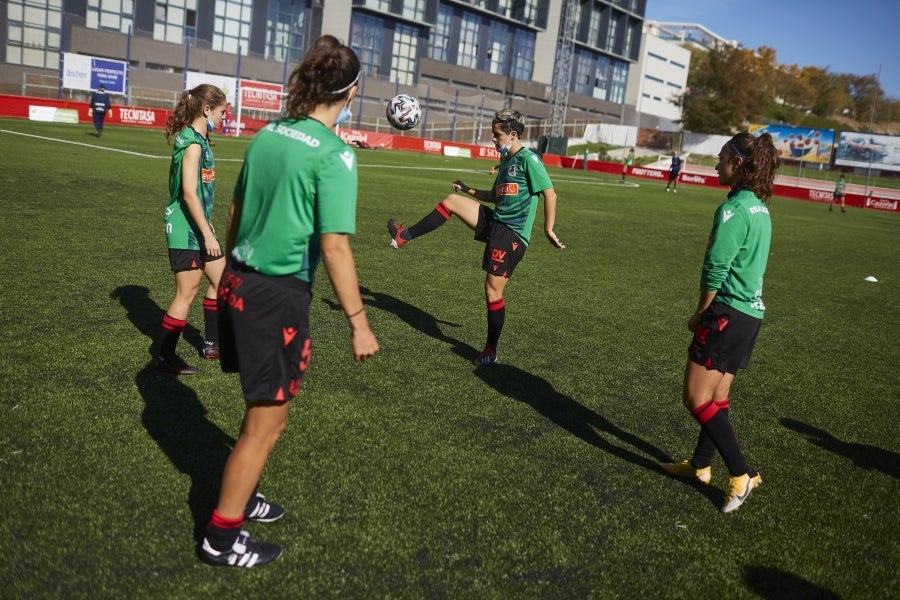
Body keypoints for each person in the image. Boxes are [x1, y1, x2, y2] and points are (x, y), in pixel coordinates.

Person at [199, 35, 378, 568]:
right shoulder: (335, 154)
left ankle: (242, 494)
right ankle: (220, 537)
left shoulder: (270, 133)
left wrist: (234, 272)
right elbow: (335, 246)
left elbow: (234, 209)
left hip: (239, 279)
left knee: (259, 413)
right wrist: (359, 323)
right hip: (275, 295)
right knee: (267, 424)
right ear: (351, 91)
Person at [387, 107, 565, 366]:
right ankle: (403, 237)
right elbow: (494, 197)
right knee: (451, 201)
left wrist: (548, 229)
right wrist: (466, 188)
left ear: (513, 134)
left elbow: (550, 193)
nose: (493, 139)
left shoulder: (529, 159)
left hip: (512, 233)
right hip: (496, 221)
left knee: (492, 291)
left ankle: (490, 350)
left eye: (496, 135)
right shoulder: (506, 163)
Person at [660, 132, 779, 514]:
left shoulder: (734, 210)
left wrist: (700, 312)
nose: (716, 164)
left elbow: (715, 268)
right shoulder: (760, 207)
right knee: (717, 398)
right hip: (750, 315)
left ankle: (742, 475)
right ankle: (699, 466)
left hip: (727, 312)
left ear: (739, 163)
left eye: (722, 157)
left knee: (695, 398)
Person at [158, 84, 229, 375]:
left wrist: (207, 226)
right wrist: (208, 233)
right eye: (222, 111)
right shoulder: (194, 143)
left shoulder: (202, 138)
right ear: (207, 109)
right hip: (186, 228)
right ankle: (164, 357)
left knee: (222, 280)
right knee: (186, 293)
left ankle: (211, 343)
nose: (225, 117)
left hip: (198, 226)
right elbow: (188, 193)